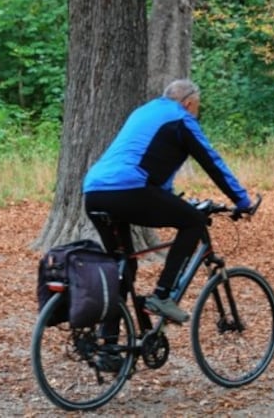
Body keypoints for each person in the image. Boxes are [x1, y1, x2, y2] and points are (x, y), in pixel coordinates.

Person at [82, 79, 253, 324]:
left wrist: (170, 199)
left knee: (124, 267)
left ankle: (109, 345)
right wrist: (241, 200)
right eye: (197, 107)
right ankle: (162, 296)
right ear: (189, 103)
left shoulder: (144, 111)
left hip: (94, 192)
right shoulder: (182, 119)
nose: (197, 112)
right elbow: (211, 161)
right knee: (194, 222)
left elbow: (149, 160)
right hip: (129, 189)